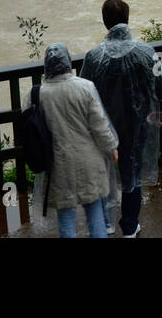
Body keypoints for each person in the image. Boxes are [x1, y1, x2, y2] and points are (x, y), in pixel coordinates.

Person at [80, 0, 162, 237]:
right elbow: (161, 84)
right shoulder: (146, 52)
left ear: (104, 22)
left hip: (102, 125)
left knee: (104, 173)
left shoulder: (93, 57)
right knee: (132, 172)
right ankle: (130, 226)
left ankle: (106, 223)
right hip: (137, 123)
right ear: (128, 19)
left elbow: (84, 92)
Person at [36, 43, 119, 238]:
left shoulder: (38, 95)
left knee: (66, 218)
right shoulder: (85, 87)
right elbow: (99, 125)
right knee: (95, 211)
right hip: (89, 160)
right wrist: (111, 147)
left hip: (58, 163)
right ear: (68, 62)